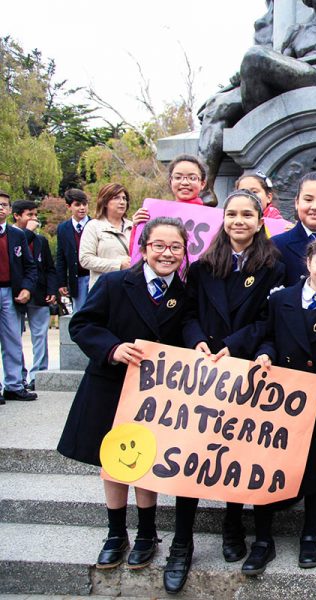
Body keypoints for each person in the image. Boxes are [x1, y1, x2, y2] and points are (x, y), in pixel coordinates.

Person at [57, 217, 188, 572]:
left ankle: (146, 533)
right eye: (158, 245)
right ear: (143, 249)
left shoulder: (185, 292)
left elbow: (189, 333)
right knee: (114, 462)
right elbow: (82, 324)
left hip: (154, 395)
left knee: (147, 461)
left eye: (176, 247)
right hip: (111, 384)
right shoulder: (116, 282)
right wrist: (112, 348)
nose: (167, 253)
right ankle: (116, 533)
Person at [179, 189, 285, 570]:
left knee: (239, 451)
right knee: (198, 449)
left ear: (260, 222)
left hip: (245, 365)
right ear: (223, 219)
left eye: (247, 215)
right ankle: (182, 541)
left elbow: (271, 318)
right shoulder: (202, 265)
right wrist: (199, 343)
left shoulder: (275, 265)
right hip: (205, 369)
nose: (239, 221)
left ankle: (232, 523)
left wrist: (233, 345)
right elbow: (188, 314)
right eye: (232, 214)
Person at [248, 237, 316, 575]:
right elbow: (268, 335)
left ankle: (310, 534)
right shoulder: (281, 300)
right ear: (308, 262)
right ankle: (262, 539)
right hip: (281, 397)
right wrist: (264, 353)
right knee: (267, 463)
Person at [11, 200, 56, 391]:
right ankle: (17, 375)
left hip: (39, 294)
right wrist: (28, 232)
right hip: (16, 294)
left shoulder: (40, 240)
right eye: (29, 215)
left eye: (35, 215)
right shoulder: (10, 236)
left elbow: (49, 268)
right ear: (17, 216)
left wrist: (52, 290)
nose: (34, 219)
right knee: (13, 336)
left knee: (40, 335)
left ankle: (38, 374)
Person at [0, 192, 37, 403]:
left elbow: (30, 266)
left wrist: (27, 288)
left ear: (10, 210)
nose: (1, 208)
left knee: (13, 339)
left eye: (4, 205)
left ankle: (14, 385)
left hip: (11, 293)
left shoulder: (17, 235)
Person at [79, 184, 133, 290]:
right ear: (104, 202)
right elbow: (85, 259)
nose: (122, 202)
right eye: (116, 198)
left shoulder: (133, 227)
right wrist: (118, 265)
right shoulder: (93, 226)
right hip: (103, 288)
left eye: (124, 198)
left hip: (130, 288)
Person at [132, 155, 208, 228]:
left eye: (192, 178)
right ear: (170, 181)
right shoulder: (155, 214)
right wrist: (137, 226)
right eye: (178, 177)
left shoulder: (212, 218)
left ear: (202, 184)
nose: (185, 182)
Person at [55, 188, 91, 313]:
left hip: (95, 275)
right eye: (77, 205)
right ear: (69, 206)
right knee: (80, 313)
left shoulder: (95, 224)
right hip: (77, 278)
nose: (82, 208)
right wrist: (61, 282)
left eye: (84, 204)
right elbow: (61, 257)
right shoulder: (63, 228)